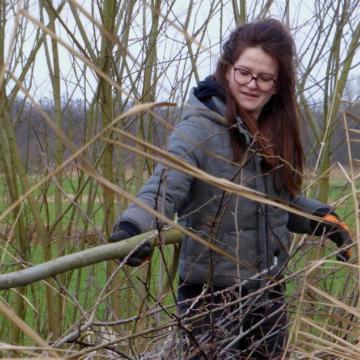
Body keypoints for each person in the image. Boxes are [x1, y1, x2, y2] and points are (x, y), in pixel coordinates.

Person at [110, 18, 353, 359]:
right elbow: (163, 188)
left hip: (268, 294)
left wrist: (320, 219)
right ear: (227, 70)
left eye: (264, 77)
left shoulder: (270, 129)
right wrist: (134, 227)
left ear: (277, 85)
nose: (252, 84)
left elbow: (276, 201)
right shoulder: (199, 129)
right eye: (244, 73)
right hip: (210, 301)